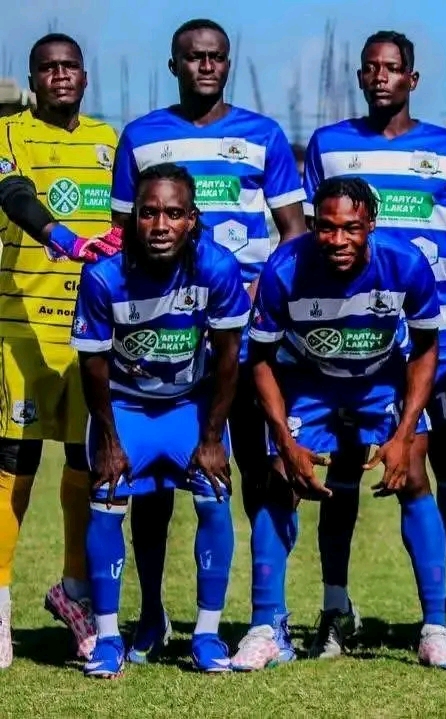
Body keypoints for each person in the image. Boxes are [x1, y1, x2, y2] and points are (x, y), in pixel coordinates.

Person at [109, 18, 308, 670]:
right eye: (193, 57)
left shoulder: (264, 134)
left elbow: (293, 231)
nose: (205, 66)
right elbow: (123, 237)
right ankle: (151, 615)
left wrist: (262, 291)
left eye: (216, 57)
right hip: (163, 338)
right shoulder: (140, 136)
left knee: (257, 469)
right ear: (174, 65)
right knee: (153, 486)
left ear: (228, 62)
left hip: (241, 336)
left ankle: (268, 619)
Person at [303, 30, 446, 653]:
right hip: (352, 335)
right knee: (343, 465)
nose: (380, 77)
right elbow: (313, 237)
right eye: (371, 68)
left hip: (435, 336)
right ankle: (336, 608)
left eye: (392, 68)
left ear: (412, 79)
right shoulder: (328, 145)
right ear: (360, 78)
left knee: (445, 468)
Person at [249, 176, 446, 669]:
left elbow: (425, 348)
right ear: (313, 225)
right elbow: (259, 359)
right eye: (327, 227)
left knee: (414, 475)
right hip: (308, 379)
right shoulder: (284, 268)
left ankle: (435, 628)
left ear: (371, 224)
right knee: (281, 481)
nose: (338, 239)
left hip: (379, 379)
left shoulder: (406, 263)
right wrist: (284, 440)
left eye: (351, 227)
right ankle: (265, 628)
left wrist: (404, 433)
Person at [73, 163, 250, 677]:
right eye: (148, 213)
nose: (160, 225)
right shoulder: (103, 276)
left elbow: (228, 358)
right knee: (106, 500)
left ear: (192, 219)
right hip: (125, 408)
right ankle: (108, 638)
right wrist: (109, 441)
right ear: (132, 218)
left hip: (188, 406)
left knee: (215, 495)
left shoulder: (217, 267)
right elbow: (92, 364)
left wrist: (212, 438)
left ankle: (207, 635)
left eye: (173, 214)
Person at [0, 32, 123, 668]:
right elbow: (14, 196)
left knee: (86, 468)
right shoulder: (8, 132)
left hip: (90, 332)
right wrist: (66, 239)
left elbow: (132, 216)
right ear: (32, 79)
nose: (60, 76)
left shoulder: (109, 140)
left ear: (84, 74)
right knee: (13, 468)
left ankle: (74, 594)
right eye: (47, 68)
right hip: (19, 329)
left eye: (69, 66)